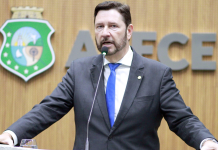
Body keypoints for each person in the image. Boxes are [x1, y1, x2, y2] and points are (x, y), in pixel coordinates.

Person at [0, 1, 218, 150]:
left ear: (129, 31)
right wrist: (12, 134)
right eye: (99, 26)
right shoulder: (80, 71)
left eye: (113, 26)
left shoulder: (156, 74)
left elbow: (182, 119)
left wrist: (206, 141)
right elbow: (48, 109)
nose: (105, 32)